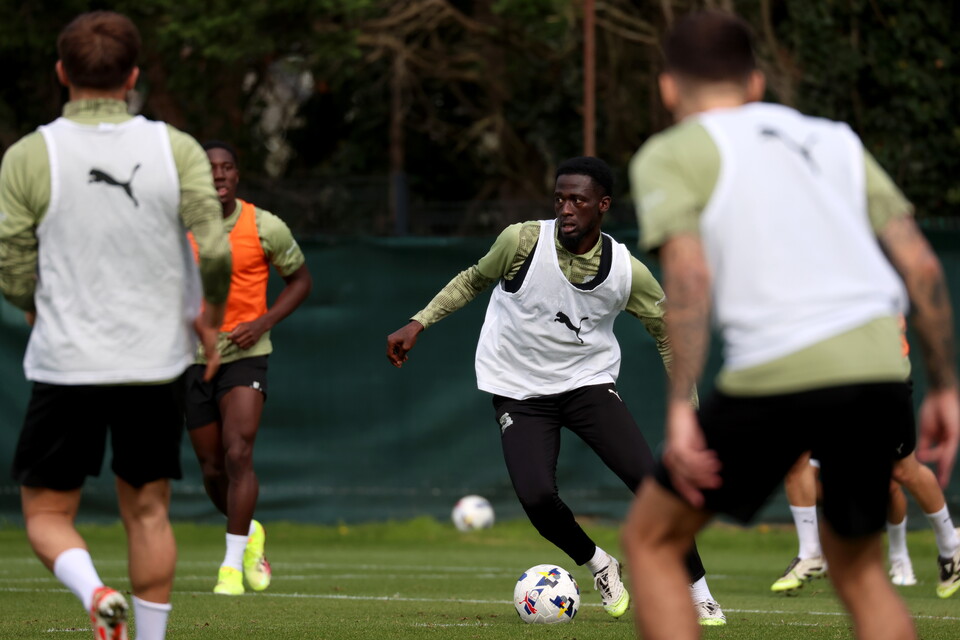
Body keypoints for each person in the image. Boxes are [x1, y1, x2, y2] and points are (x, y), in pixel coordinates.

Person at [624, 10, 959, 640]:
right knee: (858, 570)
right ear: (756, 83)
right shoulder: (834, 138)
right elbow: (918, 262)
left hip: (780, 370)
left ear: (668, 88)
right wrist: (943, 385)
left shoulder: (669, 153)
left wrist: (678, 406)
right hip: (880, 368)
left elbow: (689, 280)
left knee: (650, 540)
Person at [386, 157, 726, 625]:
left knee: (651, 484)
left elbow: (669, 335)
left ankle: (699, 592)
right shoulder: (521, 241)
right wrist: (419, 321)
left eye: (578, 200)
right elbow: (473, 280)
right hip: (519, 389)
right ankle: (599, 564)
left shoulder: (626, 271)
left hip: (587, 384)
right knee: (537, 496)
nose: (566, 208)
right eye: (560, 198)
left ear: (602, 205)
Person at [0, 11, 231, 640]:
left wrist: (27, 299)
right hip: (155, 362)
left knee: (47, 514)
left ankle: (95, 591)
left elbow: (11, 261)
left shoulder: (27, 155)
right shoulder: (175, 147)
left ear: (60, 73)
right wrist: (209, 317)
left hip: (67, 362)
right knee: (150, 511)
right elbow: (213, 250)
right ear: (132, 76)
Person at [185, 140, 312, 595]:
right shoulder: (179, 227)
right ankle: (250, 531)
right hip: (192, 359)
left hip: (245, 355)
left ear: (237, 176)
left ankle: (229, 568)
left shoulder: (264, 226)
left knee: (238, 452)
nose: (218, 175)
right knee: (213, 468)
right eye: (209, 168)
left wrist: (263, 322)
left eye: (227, 167)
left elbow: (300, 280)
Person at [773, 451, 960, 593]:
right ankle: (811, 553)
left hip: (877, 402)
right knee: (799, 462)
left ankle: (911, 555)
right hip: (827, 402)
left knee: (899, 474)